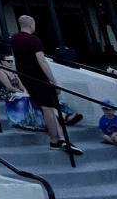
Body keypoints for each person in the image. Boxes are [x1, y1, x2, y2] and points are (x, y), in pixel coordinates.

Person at [10, 15, 83, 155]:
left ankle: (60, 138)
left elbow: (15, 59)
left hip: (26, 77)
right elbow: (42, 61)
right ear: (31, 24)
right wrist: (53, 80)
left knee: (50, 108)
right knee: (49, 109)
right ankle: (55, 140)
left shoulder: (14, 39)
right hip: (38, 77)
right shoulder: (33, 39)